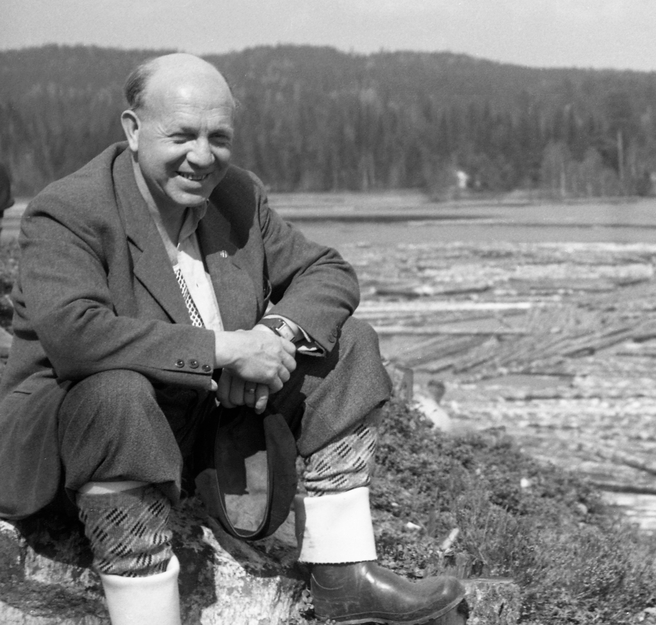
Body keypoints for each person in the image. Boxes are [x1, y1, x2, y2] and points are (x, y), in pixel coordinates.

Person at [0, 53, 465, 624]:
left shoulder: (236, 195)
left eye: (218, 137)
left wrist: (273, 335)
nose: (202, 156)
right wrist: (224, 352)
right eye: (182, 136)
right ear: (132, 129)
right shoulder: (69, 211)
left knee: (348, 343)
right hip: (77, 440)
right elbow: (77, 337)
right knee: (115, 391)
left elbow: (329, 273)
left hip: (200, 425)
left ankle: (345, 575)